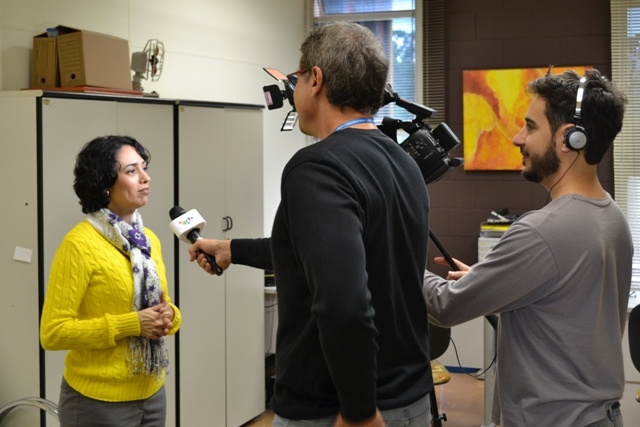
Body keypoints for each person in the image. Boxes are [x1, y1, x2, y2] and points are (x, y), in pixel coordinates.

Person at [189, 22, 432, 427]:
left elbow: (344, 303)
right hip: (410, 398)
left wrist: (358, 411)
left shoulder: (317, 167)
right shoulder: (403, 162)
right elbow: (340, 253)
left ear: (315, 79)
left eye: (298, 76)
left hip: (338, 409)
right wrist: (234, 249)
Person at [423, 69, 631, 427]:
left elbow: (446, 305)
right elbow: (567, 311)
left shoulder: (541, 231)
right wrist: (488, 281)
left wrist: (392, 260)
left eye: (531, 127)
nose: (518, 138)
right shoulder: (613, 218)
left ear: (571, 138)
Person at [40, 135, 182, 427]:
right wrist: (132, 324)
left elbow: (161, 306)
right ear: (105, 184)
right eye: (132, 171)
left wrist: (171, 315)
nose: (146, 178)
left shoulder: (148, 240)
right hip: (97, 402)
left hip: (153, 393)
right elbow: (53, 333)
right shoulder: (78, 245)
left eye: (144, 168)